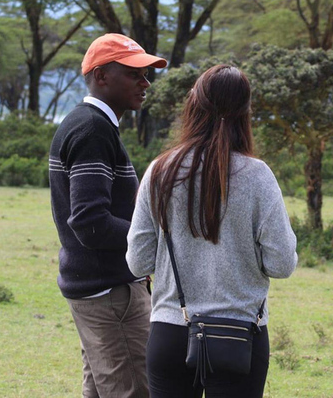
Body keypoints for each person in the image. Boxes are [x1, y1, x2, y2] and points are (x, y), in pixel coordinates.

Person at [126, 64, 298, 398]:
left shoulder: (160, 170)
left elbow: (137, 262)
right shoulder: (258, 176)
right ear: (245, 113)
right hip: (240, 336)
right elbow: (281, 264)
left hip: (170, 331)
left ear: (194, 105)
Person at [49, 33, 167, 397]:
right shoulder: (92, 130)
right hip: (110, 295)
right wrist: (159, 240)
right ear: (101, 76)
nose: (145, 83)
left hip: (99, 288)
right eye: (134, 73)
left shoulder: (92, 126)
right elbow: (90, 223)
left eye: (146, 74)